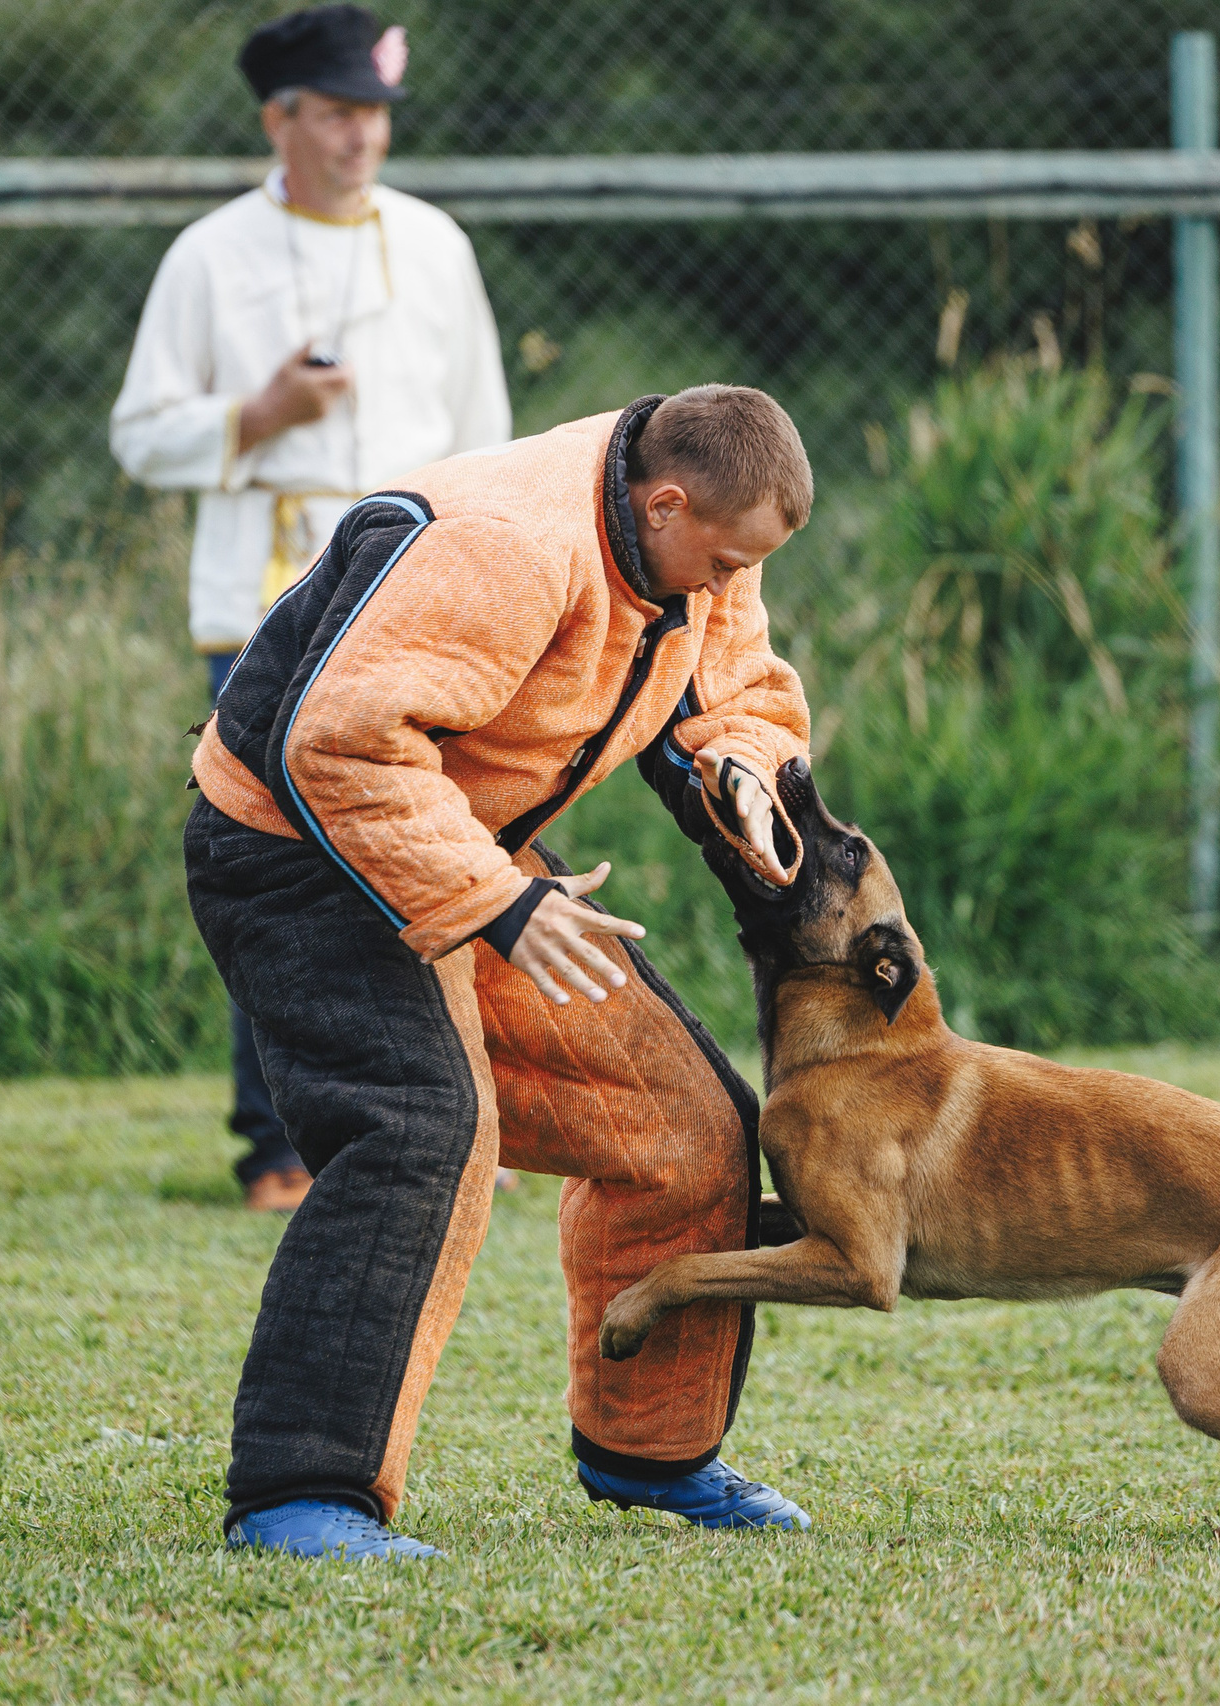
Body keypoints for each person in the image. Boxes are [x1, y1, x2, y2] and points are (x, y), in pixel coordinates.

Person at [184, 384, 819, 1560]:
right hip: (289, 847)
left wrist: (738, 765)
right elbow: (335, 741)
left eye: (747, 568)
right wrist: (499, 902)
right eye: (723, 562)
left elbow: (735, 687)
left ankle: (650, 1453)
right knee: (420, 1123)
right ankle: (299, 1495)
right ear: (666, 500)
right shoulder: (508, 546)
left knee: (688, 1130)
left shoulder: (695, 539)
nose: (730, 589)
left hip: (469, 843)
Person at [111, 4, 510, 1212]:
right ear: (279, 119)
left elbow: (484, 434)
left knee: (419, 851)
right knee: (277, 867)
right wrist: (254, 419)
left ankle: (439, 1112)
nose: (359, 137)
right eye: (335, 114)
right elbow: (139, 434)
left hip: (411, 606)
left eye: (372, 114)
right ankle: (275, 1141)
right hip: (264, 601)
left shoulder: (435, 244)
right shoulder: (208, 255)